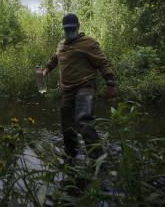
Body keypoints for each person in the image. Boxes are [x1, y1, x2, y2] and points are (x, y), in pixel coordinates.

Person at [42, 13, 117, 162]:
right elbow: (54, 58)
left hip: (86, 86)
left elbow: (103, 62)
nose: (69, 31)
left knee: (83, 120)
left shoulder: (88, 43)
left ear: (77, 27)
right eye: (66, 29)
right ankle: (71, 155)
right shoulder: (61, 44)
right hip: (68, 90)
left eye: (72, 28)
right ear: (63, 29)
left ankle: (99, 160)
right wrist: (46, 70)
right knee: (66, 121)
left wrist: (110, 83)